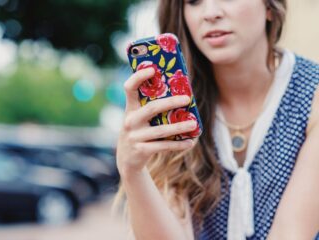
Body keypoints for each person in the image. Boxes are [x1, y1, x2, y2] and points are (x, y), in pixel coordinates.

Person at [115, 0, 319, 239]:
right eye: (193, 1)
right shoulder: (176, 104)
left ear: (270, 7)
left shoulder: (311, 94)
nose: (210, 13)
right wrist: (132, 171)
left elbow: (291, 234)